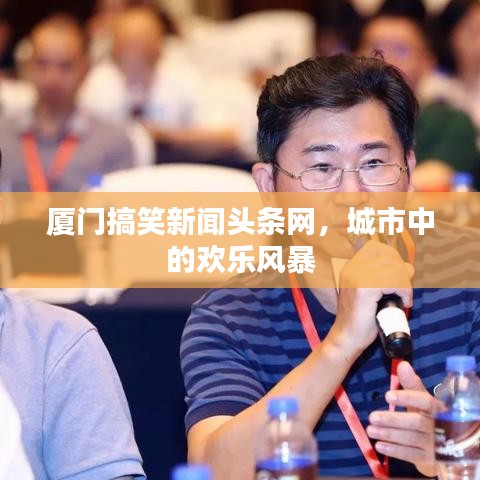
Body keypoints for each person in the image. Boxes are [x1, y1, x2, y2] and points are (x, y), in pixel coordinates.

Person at [180, 54, 480, 478]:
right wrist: (339, 345)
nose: (352, 194)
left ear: (409, 173)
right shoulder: (230, 315)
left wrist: (463, 454)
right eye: (322, 168)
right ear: (269, 187)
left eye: (374, 163)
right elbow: (213, 470)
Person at [0, 14, 135, 192]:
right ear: (27, 66)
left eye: (66, 66)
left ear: (86, 69)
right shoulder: (2, 135)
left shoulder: (113, 143)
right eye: (41, 64)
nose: (52, 78)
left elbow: (120, 205)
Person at [357, 0, 480, 190]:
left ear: (427, 61)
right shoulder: (338, 120)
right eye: (375, 48)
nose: (385, 60)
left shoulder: (451, 122)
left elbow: (437, 176)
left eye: (401, 50)